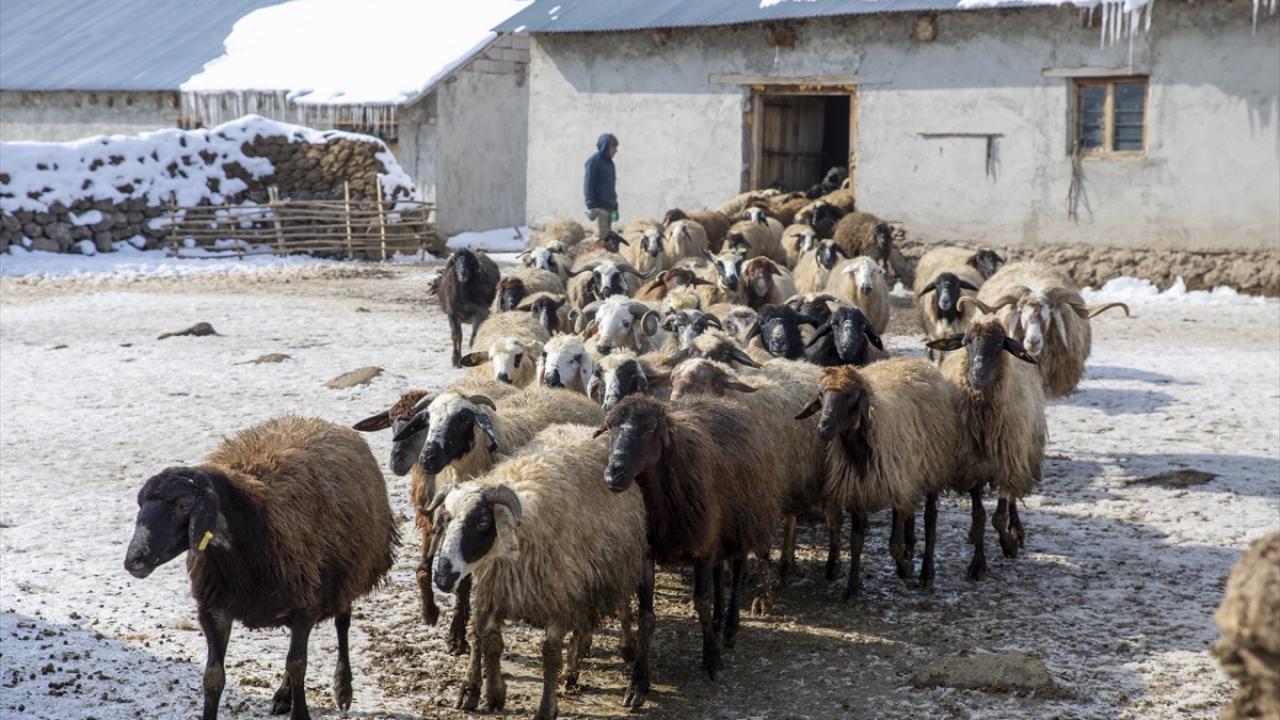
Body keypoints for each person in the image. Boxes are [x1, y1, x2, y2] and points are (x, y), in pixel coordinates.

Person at [583, 133, 619, 240]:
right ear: (605, 146)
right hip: (598, 208)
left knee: (607, 240)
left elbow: (611, 187)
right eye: (613, 147)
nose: (616, 150)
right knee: (600, 240)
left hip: (608, 209)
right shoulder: (594, 162)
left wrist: (615, 207)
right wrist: (591, 206)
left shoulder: (610, 164)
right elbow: (588, 184)